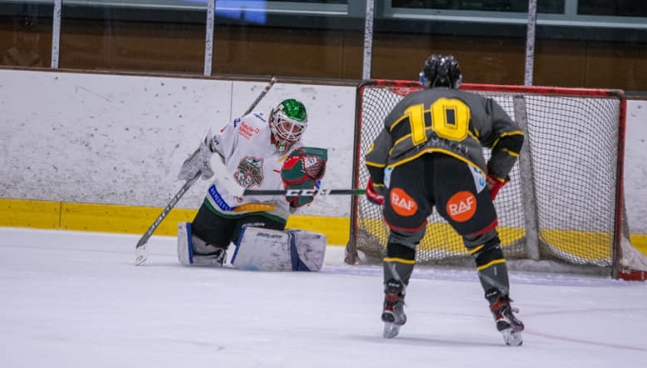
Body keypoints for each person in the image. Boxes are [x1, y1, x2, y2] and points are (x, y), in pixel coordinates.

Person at [364, 54, 526, 345]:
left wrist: (381, 186)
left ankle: (392, 301)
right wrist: (495, 176)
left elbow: (375, 158)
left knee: (402, 238)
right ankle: (501, 309)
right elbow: (512, 136)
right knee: (484, 242)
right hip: (458, 175)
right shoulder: (475, 102)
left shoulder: (405, 103)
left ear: (422, 80)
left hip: (406, 176)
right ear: (459, 82)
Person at [176, 98, 328, 272]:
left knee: (257, 251)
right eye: (286, 125)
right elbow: (220, 145)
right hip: (224, 199)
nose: (290, 133)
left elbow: (297, 202)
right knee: (198, 253)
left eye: (296, 128)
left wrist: (300, 193)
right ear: (274, 119)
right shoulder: (250, 124)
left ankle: (296, 244)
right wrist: (207, 153)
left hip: (265, 209)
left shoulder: (300, 158)